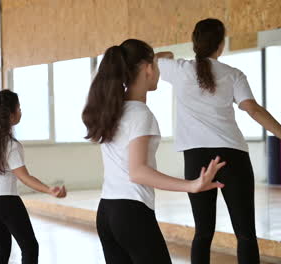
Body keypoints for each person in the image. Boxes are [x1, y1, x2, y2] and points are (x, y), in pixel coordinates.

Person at [81, 38, 226, 264]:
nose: (159, 71)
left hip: (107, 211)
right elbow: (138, 172)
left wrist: (152, 57)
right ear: (148, 69)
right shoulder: (140, 114)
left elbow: (161, 57)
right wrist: (192, 185)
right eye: (155, 66)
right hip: (131, 213)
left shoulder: (113, 110)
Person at [157, 18, 281, 264]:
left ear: (195, 42)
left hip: (196, 158)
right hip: (232, 156)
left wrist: (170, 53)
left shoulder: (179, 69)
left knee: (203, 233)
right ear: (221, 44)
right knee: (245, 234)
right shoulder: (233, 74)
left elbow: (154, 58)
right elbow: (253, 109)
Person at [0, 90, 66, 264]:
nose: (21, 111)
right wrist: (49, 190)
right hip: (6, 201)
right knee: (30, 247)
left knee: (2, 250)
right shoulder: (12, 145)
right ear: (10, 116)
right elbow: (25, 177)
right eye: (19, 108)